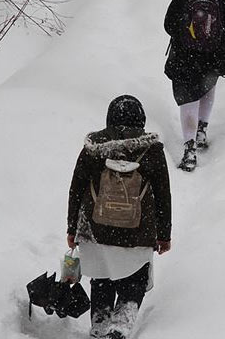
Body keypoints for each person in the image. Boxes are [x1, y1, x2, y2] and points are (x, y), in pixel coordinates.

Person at [67, 95, 172, 339]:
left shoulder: (93, 147)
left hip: (95, 230)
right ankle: (120, 327)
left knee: (102, 278)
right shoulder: (151, 150)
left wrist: (72, 228)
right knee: (134, 280)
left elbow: (76, 189)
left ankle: (100, 326)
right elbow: (163, 195)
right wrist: (164, 235)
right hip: (138, 231)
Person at [164, 0, 225, 171]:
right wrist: (215, 38)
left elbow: (168, 25)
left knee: (188, 101)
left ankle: (189, 149)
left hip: (183, 60)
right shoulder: (222, 0)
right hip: (212, 60)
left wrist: (187, 36)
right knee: (207, 88)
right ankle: (202, 130)